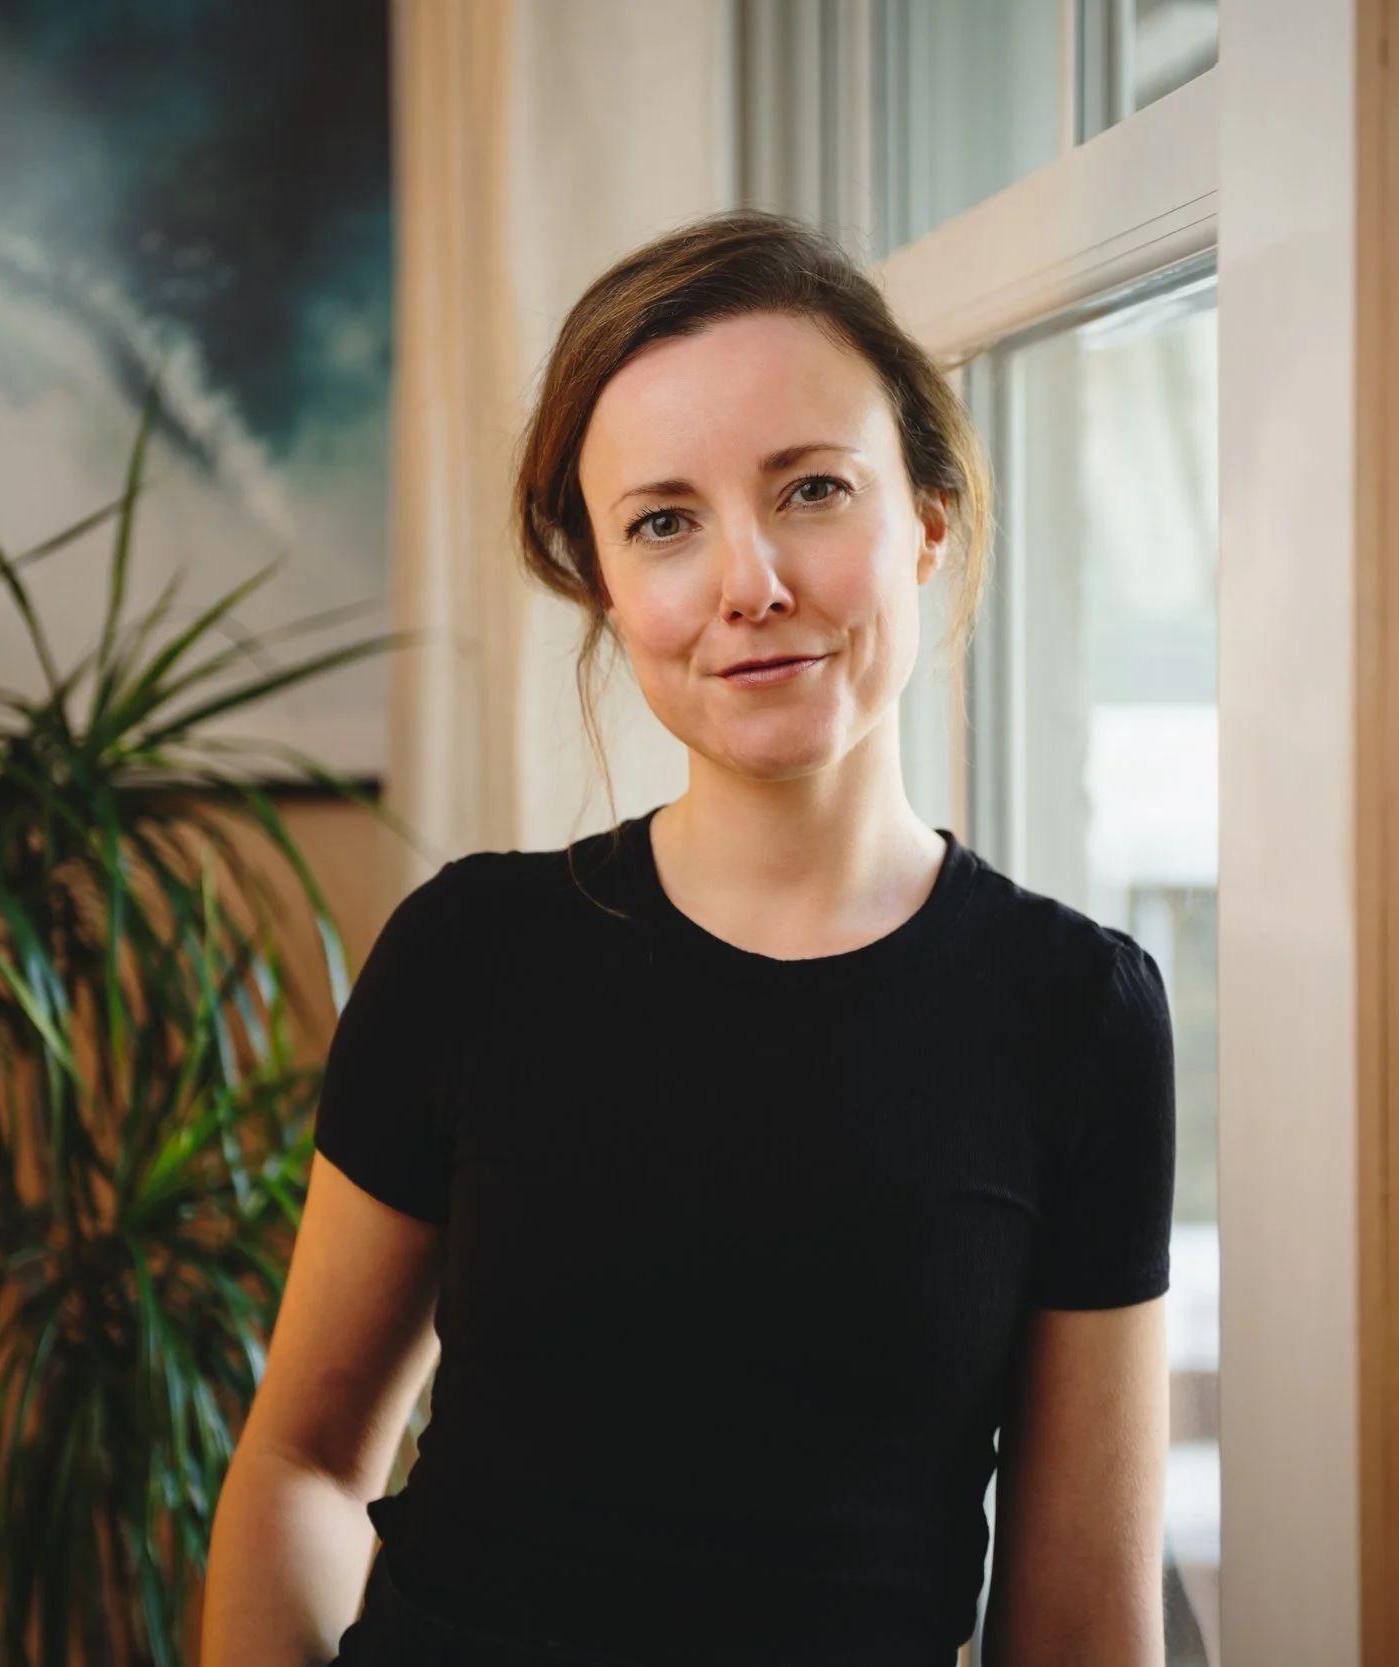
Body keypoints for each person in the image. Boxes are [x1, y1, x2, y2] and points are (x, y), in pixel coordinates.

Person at [199, 210, 1175, 1667]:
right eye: (665, 520)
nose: (749, 582)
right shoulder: (467, 953)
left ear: (925, 518)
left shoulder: (1076, 1013)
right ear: (603, 579)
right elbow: (301, 1463)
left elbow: (1083, 1630)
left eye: (813, 491)